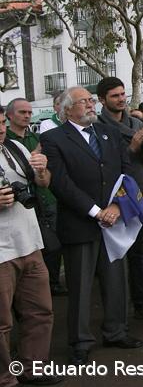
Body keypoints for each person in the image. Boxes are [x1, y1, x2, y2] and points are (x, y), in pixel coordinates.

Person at [40, 87, 142, 365]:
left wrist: (118, 207)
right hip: (80, 224)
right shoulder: (52, 138)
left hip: (113, 222)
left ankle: (116, 331)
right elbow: (61, 183)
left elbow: (127, 171)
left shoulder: (106, 133)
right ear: (67, 109)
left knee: (116, 281)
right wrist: (97, 211)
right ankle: (81, 342)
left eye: (90, 100)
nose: (90, 104)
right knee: (81, 287)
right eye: (83, 101)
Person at [0, 106, 62, 386]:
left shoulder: (14, 147)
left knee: (40, 312)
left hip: (30, 244)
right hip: (1, 254)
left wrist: (41, 170)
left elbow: (42, 183)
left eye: (2, 123)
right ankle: (5, 378)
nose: (1, 129)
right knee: (2, 324)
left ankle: (32, 369)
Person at [96, 77, 143, 321]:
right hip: (110, 199)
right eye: (115, 96)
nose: (121, 99)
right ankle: (116, 313)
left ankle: (142, 303)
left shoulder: (136, 122)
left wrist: (142, 146)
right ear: (102, 100)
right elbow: (103, 163)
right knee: (113, 260)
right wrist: (131, 148)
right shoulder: (96, 126)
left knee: (138, 255)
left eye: (123, 94)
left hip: (135, 196)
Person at [5, 98, 65, 297]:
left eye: (30, 112)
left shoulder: (32, 140)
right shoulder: (10, 142)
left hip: (41, 203)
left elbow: (44, 175)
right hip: (13, 223)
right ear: (10, 116)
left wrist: (40, 169)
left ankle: (53, 283)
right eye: (22, 112)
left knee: (53, 246)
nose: (27, 116)